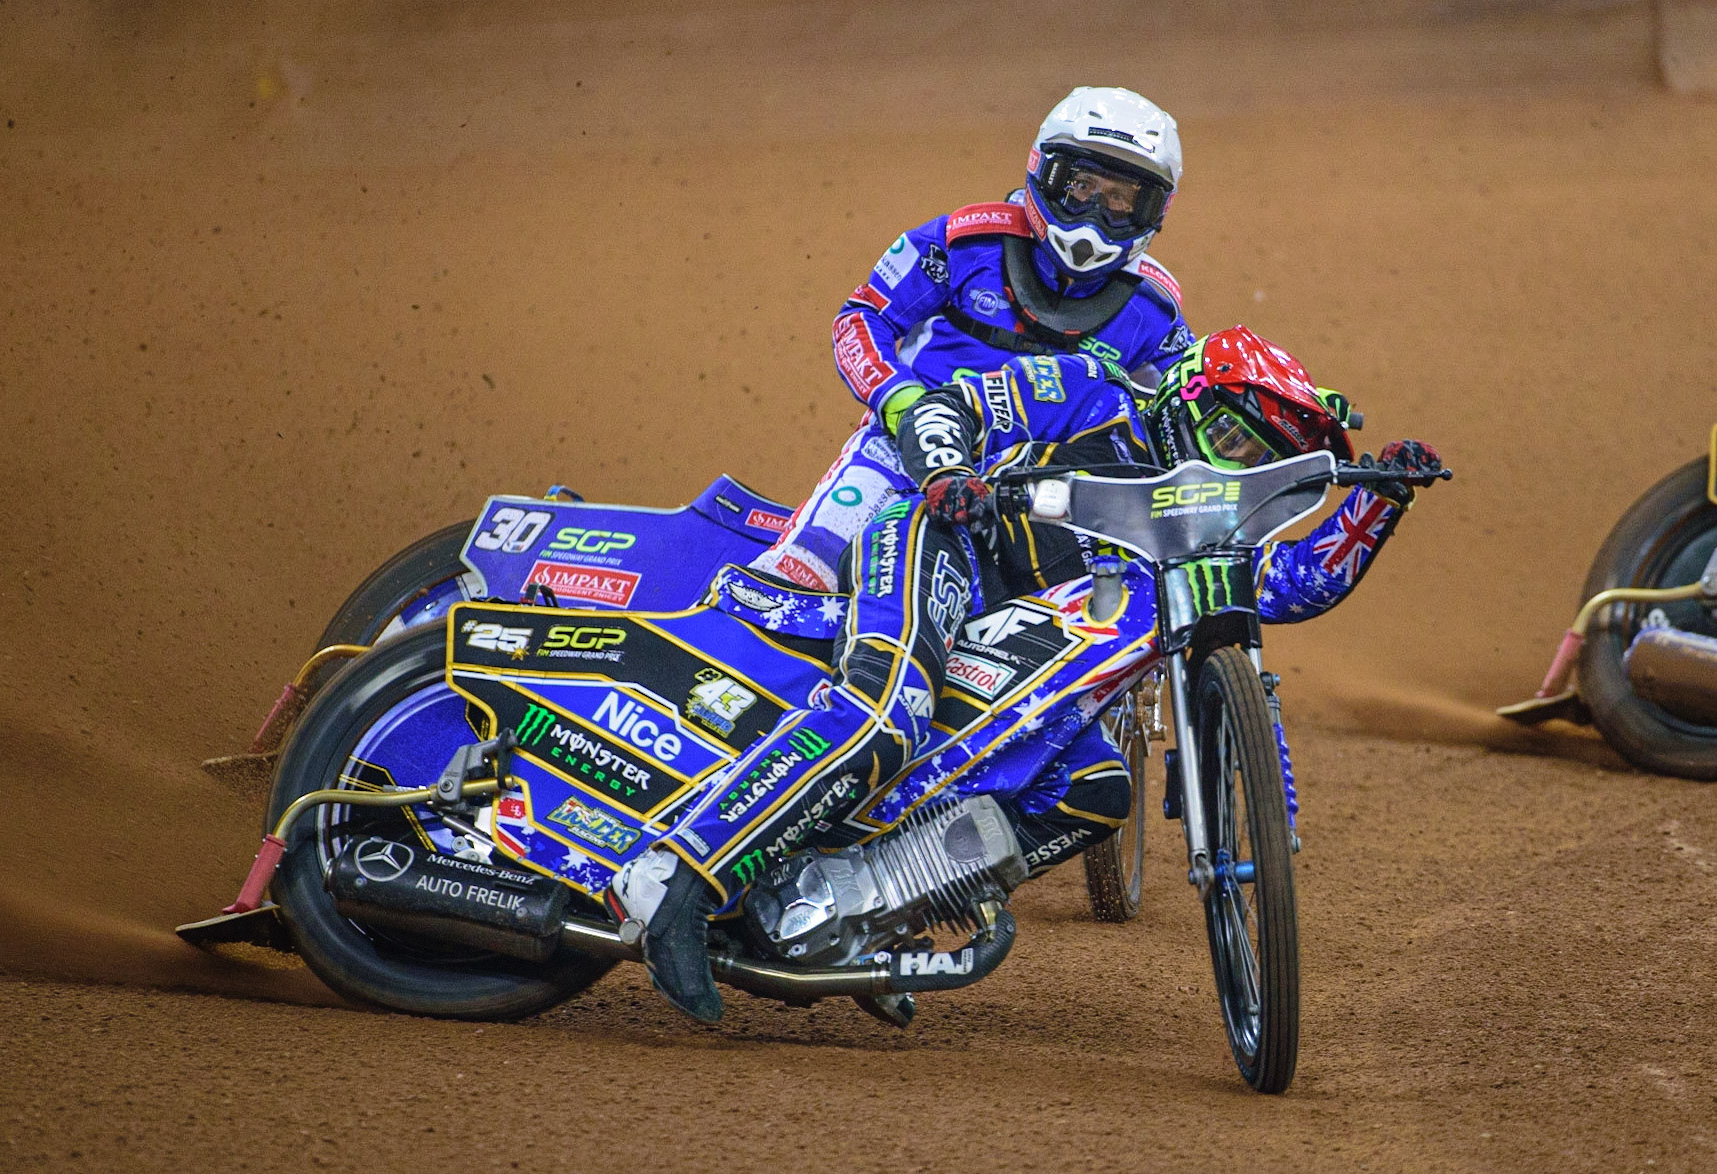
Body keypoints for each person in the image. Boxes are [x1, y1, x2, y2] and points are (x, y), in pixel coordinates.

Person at [610, 330, 1442, 1023]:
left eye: (1260, 464)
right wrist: (948, 474)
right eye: (1230, 441)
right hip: (944, 550)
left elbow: (1296, 584)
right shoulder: (1091, 390)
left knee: (1094, 789)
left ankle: (865, 914)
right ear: (1186, 397)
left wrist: (1382, 503)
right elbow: (950, 407)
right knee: (891, 708)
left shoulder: (1206, 542)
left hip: (1021, 648)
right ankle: (677, 881)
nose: (1233, 471)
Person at [751, 85, 1195, 594]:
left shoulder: (1153, 310)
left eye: (1121, 199)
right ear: (1044, 171)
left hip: (1039, 493)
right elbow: (863, 316)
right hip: (904, 452)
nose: (1096, 214)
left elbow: (1190, 403)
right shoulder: (965, 243)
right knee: (802, 575)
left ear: (1154, 210)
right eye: (1081, 186)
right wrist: (901, 403)